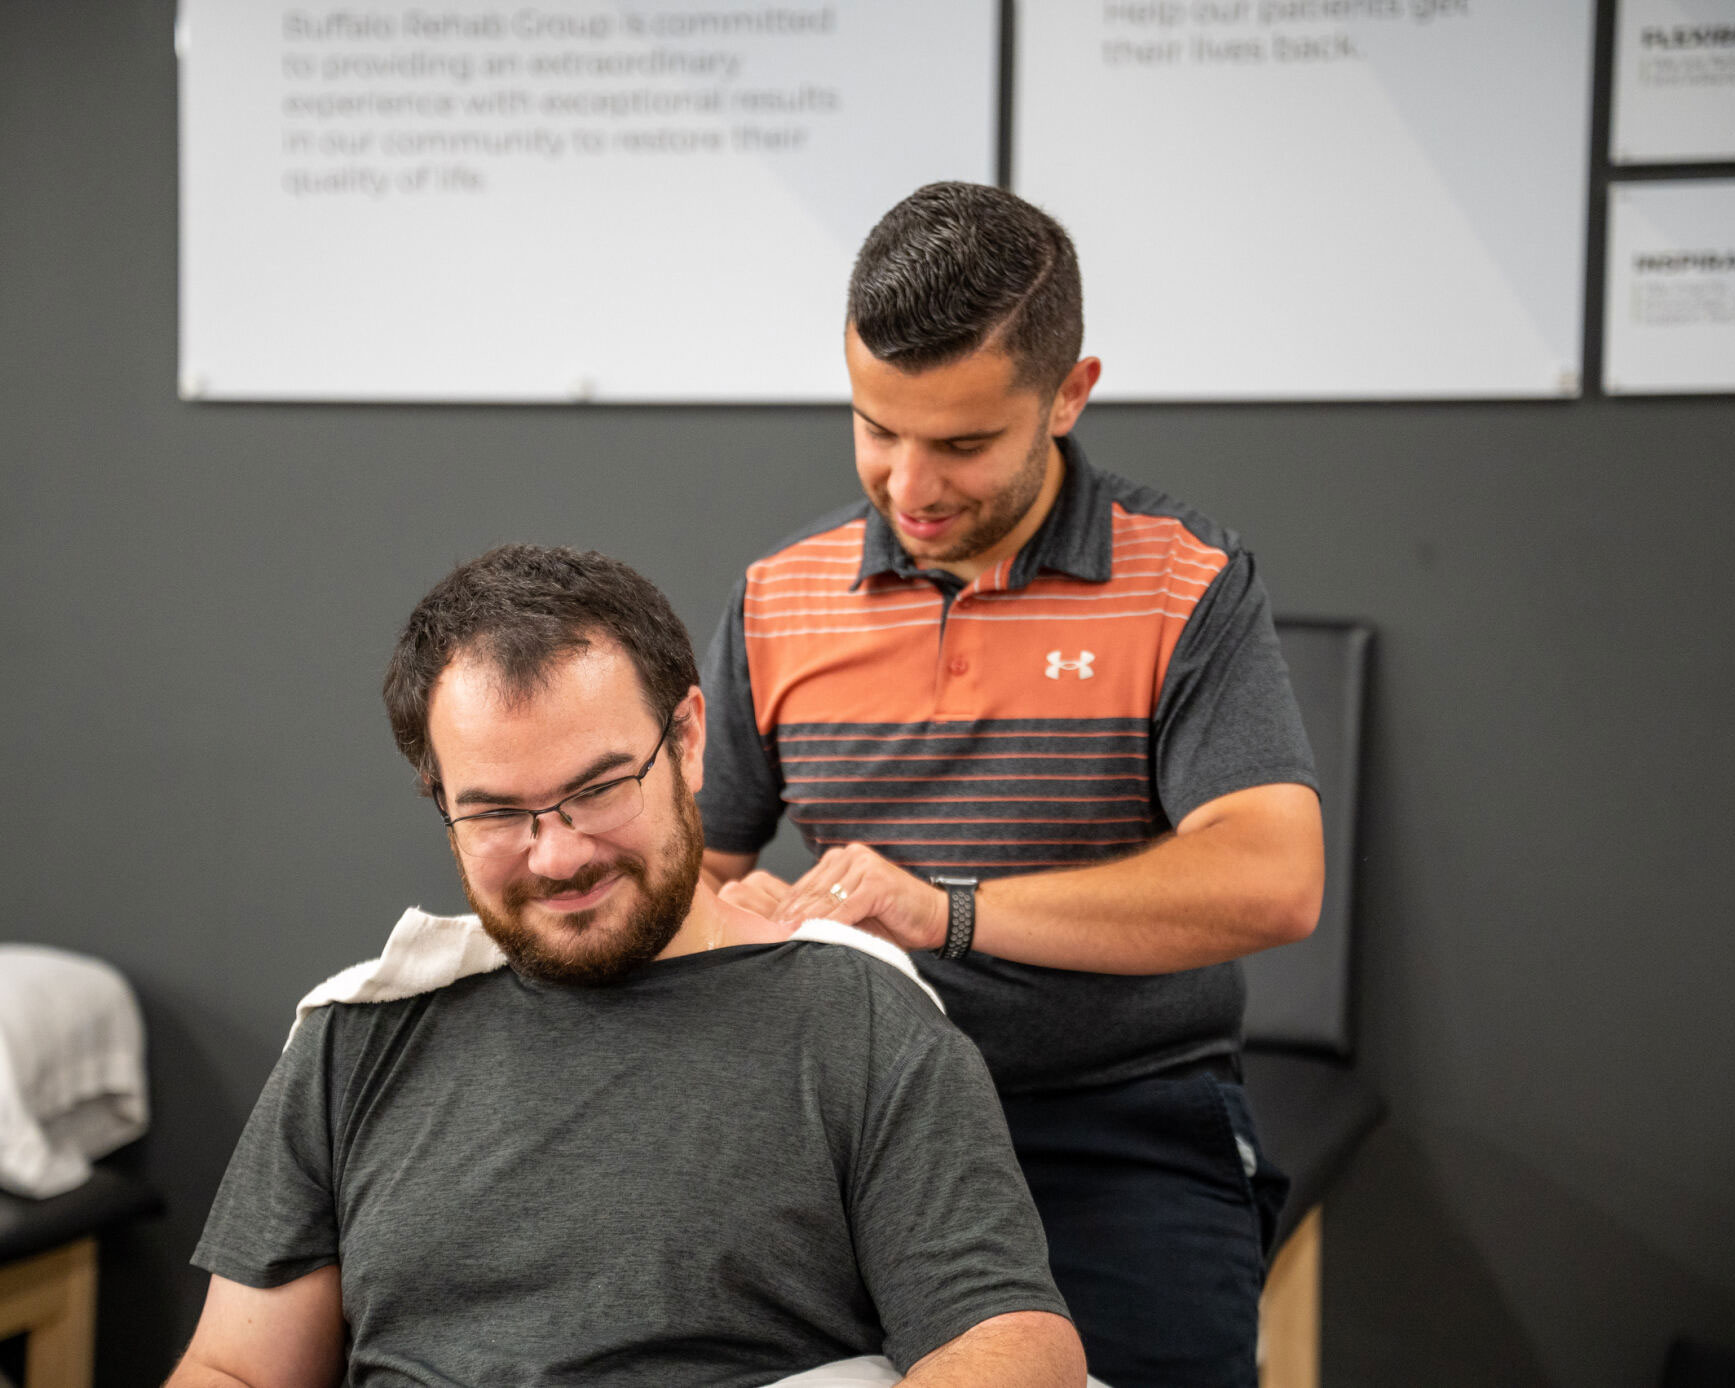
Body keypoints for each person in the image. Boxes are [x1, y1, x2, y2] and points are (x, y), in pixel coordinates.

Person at [167, 544, 1086, 1388]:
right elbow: (237, 1369)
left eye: (599, 789)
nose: (558, 856)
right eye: (495, 814)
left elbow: (1009, 1349)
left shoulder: (856, 1018)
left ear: (688, 740)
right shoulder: (357, 1037)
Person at [698, 183, 1326, 1388]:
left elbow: (1272, 877)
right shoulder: (779, 594)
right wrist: (741, 918)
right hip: (849, 1120)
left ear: (1068, 393)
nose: (909, 485)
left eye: (963, 444)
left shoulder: (1184, 578)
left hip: (1115, 1123)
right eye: (877, 428)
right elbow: (694, 867)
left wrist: (944, 909)